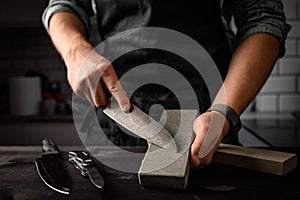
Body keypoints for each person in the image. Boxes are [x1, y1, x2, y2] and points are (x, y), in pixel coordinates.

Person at [42, 0, 290, 167]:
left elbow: (262, 18)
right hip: (116, 117)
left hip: (210, 112)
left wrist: (222, 112)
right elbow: (65, 5)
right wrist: (76, 51)